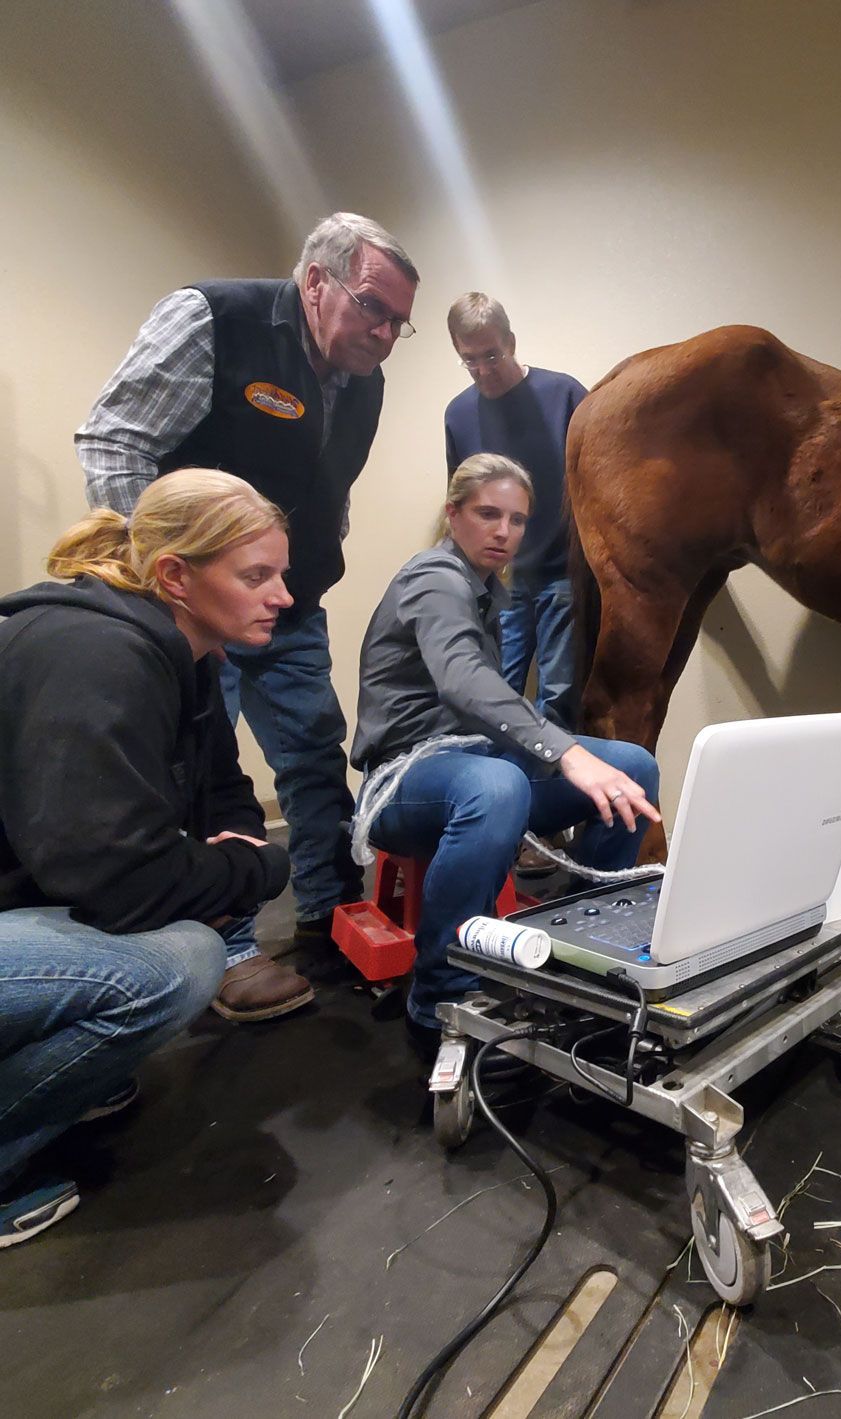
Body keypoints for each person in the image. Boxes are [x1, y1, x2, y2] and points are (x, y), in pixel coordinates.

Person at [76, 212, 420, 1018]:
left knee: (311, 751)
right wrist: (169, 589)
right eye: (373, 306)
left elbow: (326, 488)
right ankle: (223, 949)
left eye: (399, 322)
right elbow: (114, 441)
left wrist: (310, 562)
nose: (385, 332)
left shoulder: (365, 381)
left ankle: (332, 913)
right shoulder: (213, 317)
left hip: (288, 605)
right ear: (314, 281)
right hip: (191, 609)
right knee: (197, 776)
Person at [0, 470, 292, 1246]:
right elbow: (124, 882)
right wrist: (255, 870)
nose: (282, 595)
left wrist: (226, 856)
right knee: (179, 963)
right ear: (175, 575)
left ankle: (56, 1082)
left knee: (177, 932)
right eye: (256, 575)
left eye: (280, 573)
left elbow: (227, 796)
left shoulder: (185, 655)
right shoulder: (98, 655)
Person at [351, 454, 661, 1059]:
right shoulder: (434, 577)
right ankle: (441, 992)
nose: (503, 532)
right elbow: (464, 680)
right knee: (497, 787)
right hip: (405, 777)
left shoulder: (489, 591)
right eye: (487, 514)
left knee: (632, 767)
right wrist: (565, 752)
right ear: (452, 514)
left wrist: (575, 755)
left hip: (474, 762)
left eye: (517, 520)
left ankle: (582, 951)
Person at [445, 294, 588, 875]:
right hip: (498, 581)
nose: (483, 370)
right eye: (469, 360)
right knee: (492, 697)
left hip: (559, 572)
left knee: (556, 696)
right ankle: (504, 820)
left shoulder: (564, 395)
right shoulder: (458, 414)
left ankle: (546, 827)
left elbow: (592, 483)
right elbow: (459, 498)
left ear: (512, 341)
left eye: (492, 355)